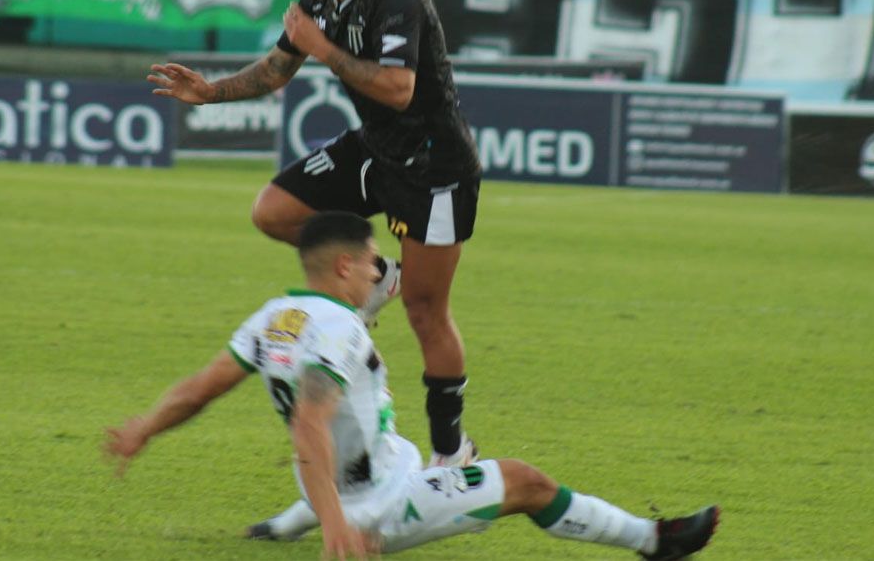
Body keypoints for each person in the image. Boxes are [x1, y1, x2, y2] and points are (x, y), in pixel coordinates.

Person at [104, 211, 719, 560]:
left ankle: (296, 520)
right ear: (345, 266)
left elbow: (203, 387)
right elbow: (309, 425)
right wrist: (342, 524)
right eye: (375, 260)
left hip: (366, 468)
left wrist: (143, 430)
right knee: (527, 482)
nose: (382, 271)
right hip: (381, 499)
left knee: (360, 461)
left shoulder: (273, 316)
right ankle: (652, 541)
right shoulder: (341, 330)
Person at [149, 0, 479, 469]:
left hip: (434, 167)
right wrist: (211, 92)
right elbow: (280, 66)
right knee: (273, 211)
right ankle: (379, 277)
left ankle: (451, 451)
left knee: (427, 312)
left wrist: (323, 48)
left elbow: (400, 90)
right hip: (376, 149)